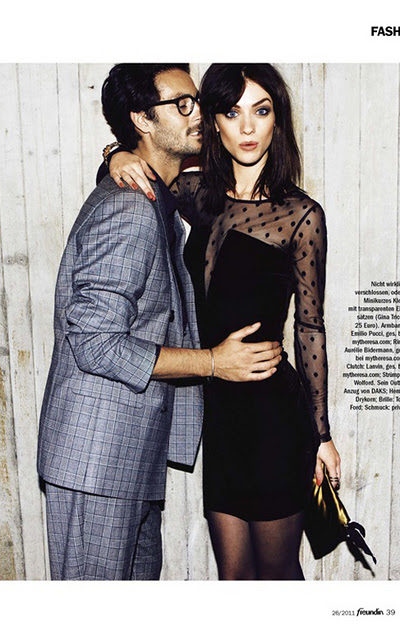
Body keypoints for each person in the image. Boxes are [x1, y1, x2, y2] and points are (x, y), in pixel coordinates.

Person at [37, 63, 283, 581]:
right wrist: (213, 362)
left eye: (198, 102)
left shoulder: (159, 199)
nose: (197, 114)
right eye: (182, 104)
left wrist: (113, 155)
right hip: (96, 460)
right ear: (142, 120)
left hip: (126, 459)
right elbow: (96, 343)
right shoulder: (130, 208)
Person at [104, 63, 341, 580]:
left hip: (273, 413)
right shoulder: (196, 194)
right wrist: (115, 153)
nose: (248, 127)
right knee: (233, 579)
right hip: (219, 414)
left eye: (261, 110)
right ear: (213, 121)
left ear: (278, 120)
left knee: (276, 575)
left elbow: (310, 328)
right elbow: (129, 175)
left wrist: (321, 435)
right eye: (232, 113)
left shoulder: (301, 215)